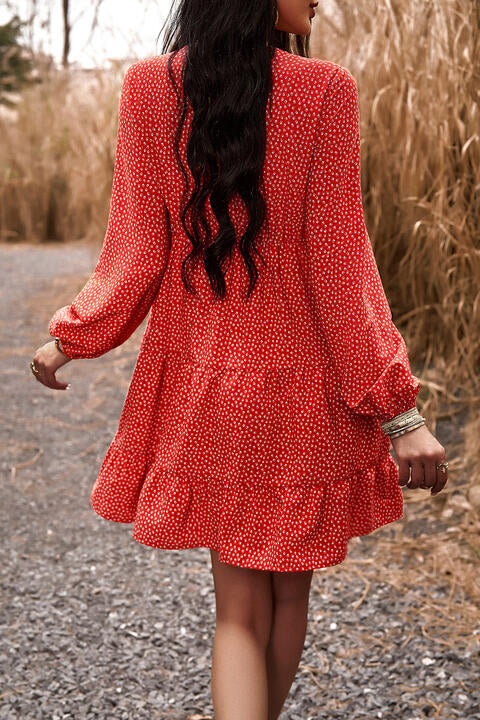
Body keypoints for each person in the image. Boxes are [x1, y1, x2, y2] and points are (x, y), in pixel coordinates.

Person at [30, 1, 449, 718]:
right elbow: (340, 266)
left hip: (204, 388)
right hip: (303, 393)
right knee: (288, 592)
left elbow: (136, 251)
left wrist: (75, 335)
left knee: (239, 611)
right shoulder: (324, 90)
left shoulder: (147, 88)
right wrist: (399, 410)